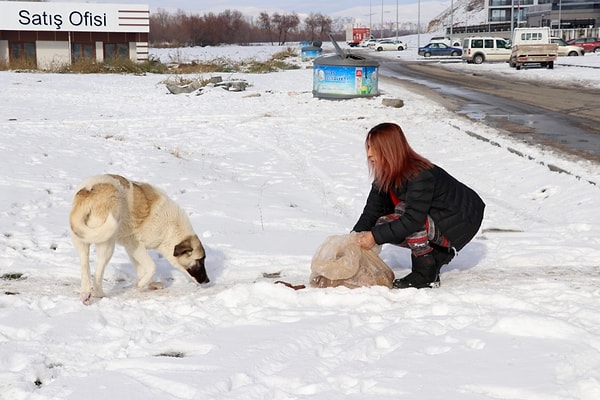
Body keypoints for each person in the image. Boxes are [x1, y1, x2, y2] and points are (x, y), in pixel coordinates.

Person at [353, 122, 485, 289]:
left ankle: (425, 273)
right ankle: (437, 254)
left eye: (374, 148)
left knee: (403, 217)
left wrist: (374, 237)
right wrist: (353, 238)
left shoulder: (419, 175)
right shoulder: (385, 177)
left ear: (389, 149)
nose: (369, 154)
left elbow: (413, 220)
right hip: (441, 217)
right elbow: (371, 212)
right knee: (381, 223)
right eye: (368, 148)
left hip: (463, 219)